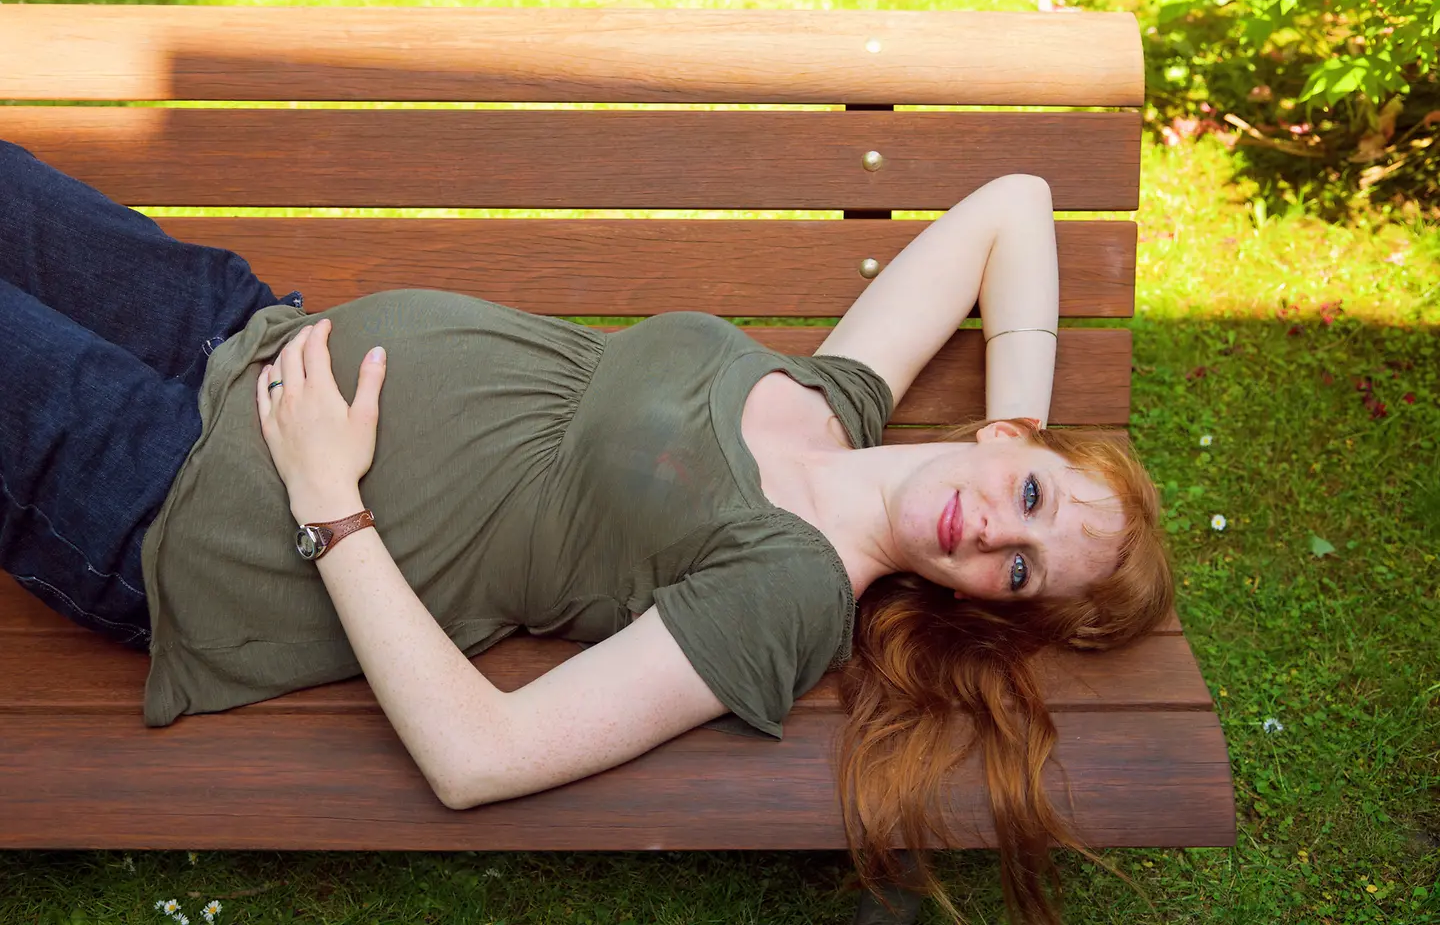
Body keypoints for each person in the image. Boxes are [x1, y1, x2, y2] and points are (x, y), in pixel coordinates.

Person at [0, 138, 1172, 925]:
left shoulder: (791, 593)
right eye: (1030, 497)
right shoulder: (842, 392)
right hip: (238, 335)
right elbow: (1015, 206)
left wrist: (326, 497)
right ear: (1007, 439)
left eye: (1021, 572)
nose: (993, 535)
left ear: (983, 603)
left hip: (182, 506)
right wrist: (1026, 421)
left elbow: (480, 758)